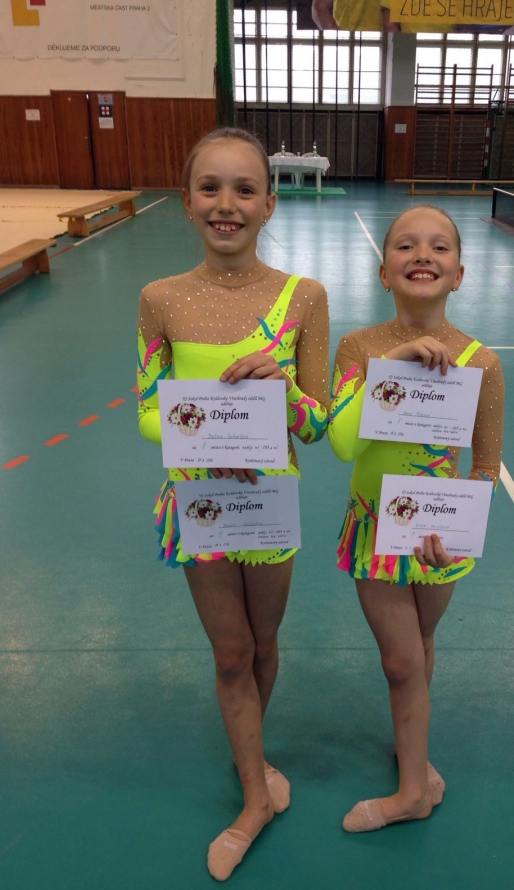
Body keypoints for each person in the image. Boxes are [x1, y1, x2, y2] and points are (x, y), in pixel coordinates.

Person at [137, 127, 330, 880]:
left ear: (269, 205)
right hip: (199, 500)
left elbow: (315, 423)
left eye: (244, 189)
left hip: (270, 501)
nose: (227, 204)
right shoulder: (160, 299)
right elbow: (149, 411)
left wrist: (286, 395)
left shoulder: (303, 298)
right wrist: (201, 441)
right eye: (210, 188)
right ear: (186, 202)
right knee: (230, 652)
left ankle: (252, 752)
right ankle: (254, 797)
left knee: (264, 643)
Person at [328, 205, 504, 832]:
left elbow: (486, 464)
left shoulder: (481, 362)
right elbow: (343, 443)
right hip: (375, 527)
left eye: (439, 247)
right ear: (384, 272)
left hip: (437, 532)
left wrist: (457, 530)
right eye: (405, 245)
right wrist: (395, 363)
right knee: (401, 662)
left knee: (420, 647)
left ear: (459, 273)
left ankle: (413, 754)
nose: (422, 255)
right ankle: (412, 794)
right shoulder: (358, 347)